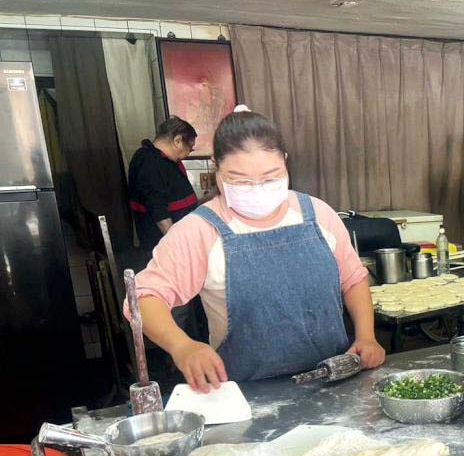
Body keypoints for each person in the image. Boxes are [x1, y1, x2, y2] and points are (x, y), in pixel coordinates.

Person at [130, 106, 385, 391]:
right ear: (217, 169)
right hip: (246, 397)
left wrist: (366, 336)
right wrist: (182, 346)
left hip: (335, 384)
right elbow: (142, 298)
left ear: (285, 162)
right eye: (240, 180)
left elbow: (353, 279)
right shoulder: (200, 230)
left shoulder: (317, 213)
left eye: (270, 176)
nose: (257, 188)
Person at [128, 116, 199, 249]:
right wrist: (176, 246)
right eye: (190, 148)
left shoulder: (166, 159)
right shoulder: (149, 162)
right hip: (164, 244)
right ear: (178, 141)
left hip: (183, 236)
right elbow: (158, 210)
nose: (188, 153)